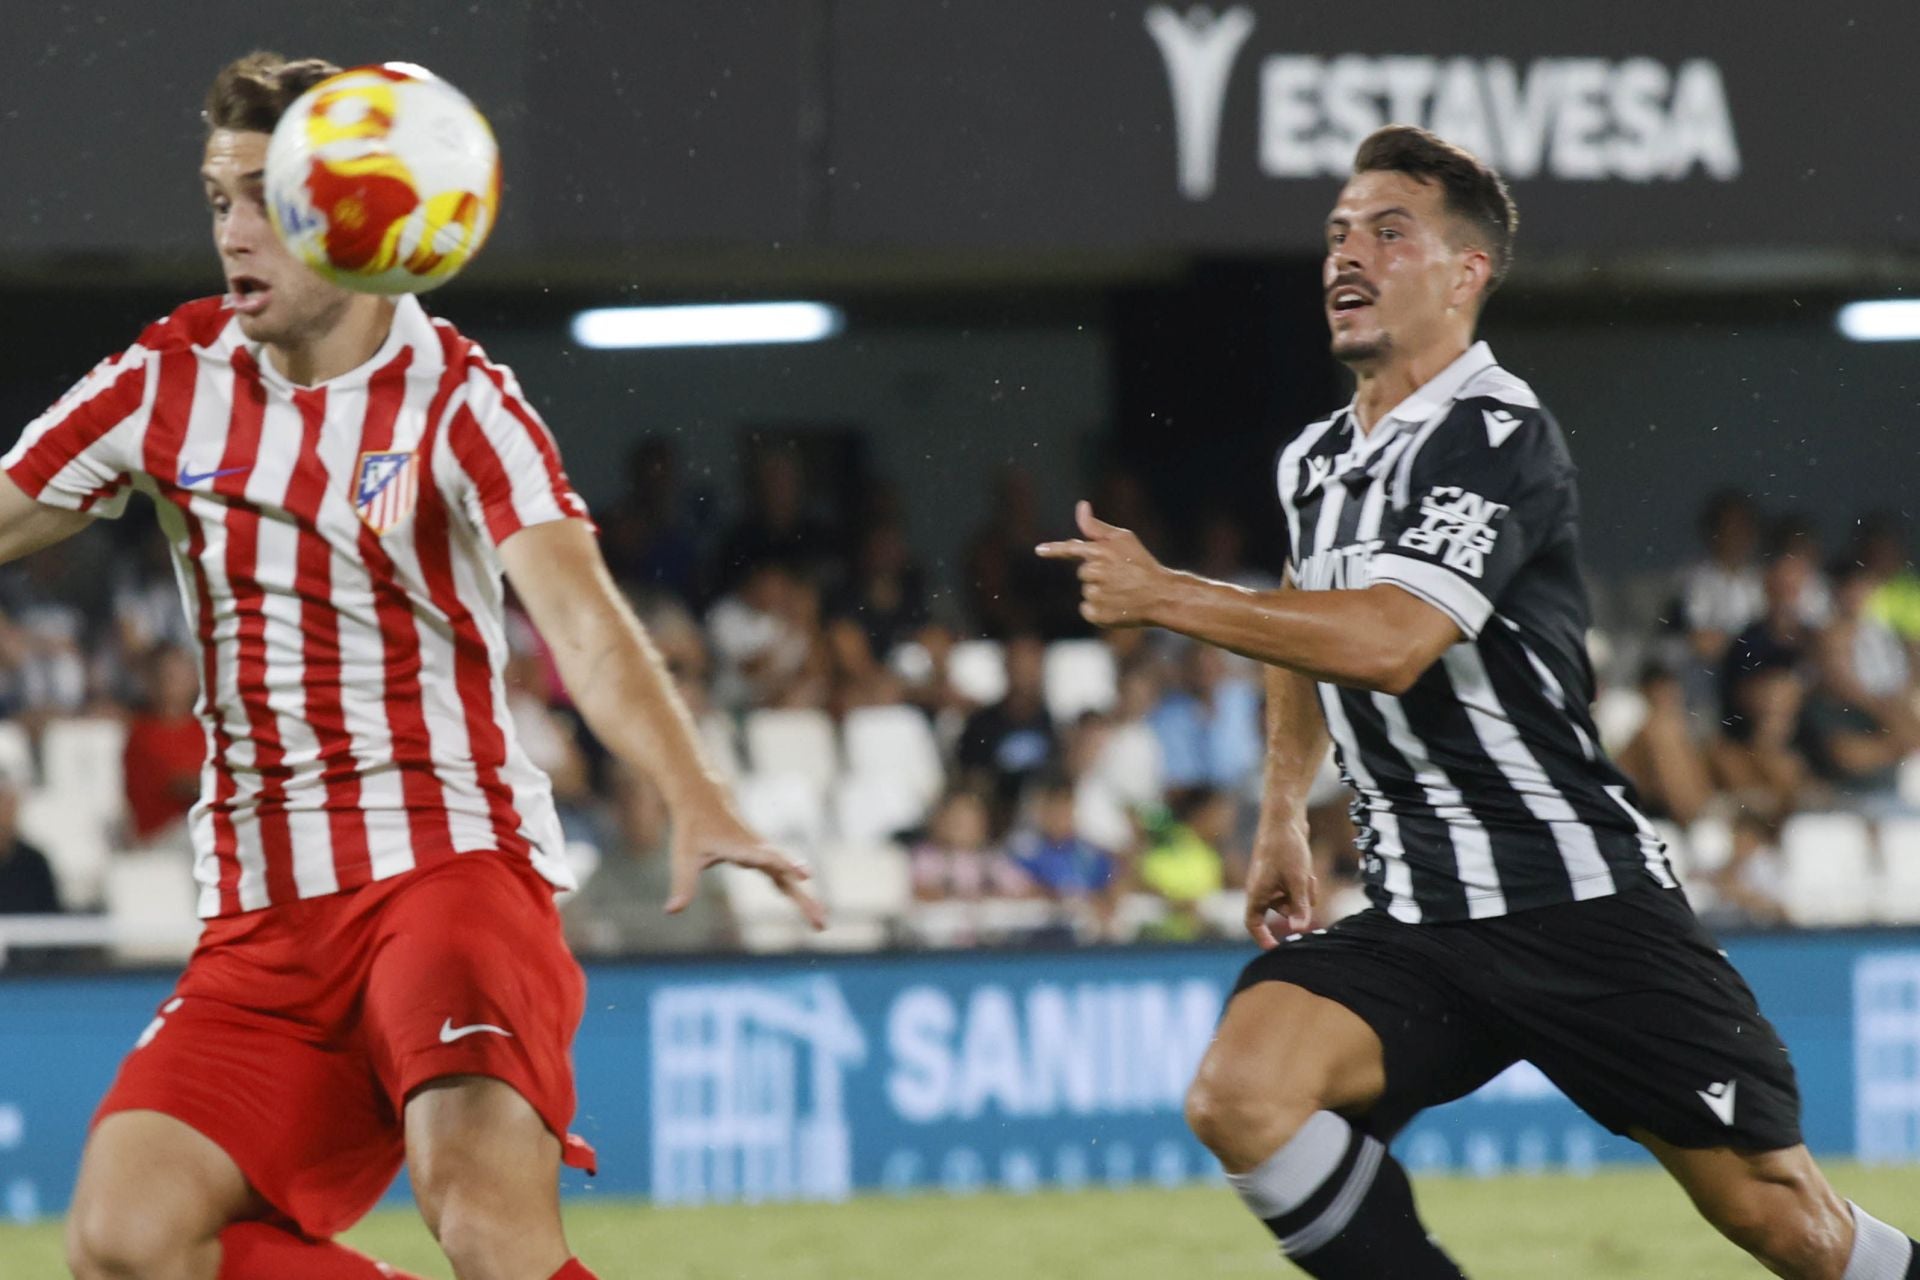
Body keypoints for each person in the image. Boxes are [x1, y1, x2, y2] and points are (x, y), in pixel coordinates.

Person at [1039, 124, 1916, 1278]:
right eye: (1337, 233)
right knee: (1243, 1090)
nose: (1347, 254)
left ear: (1467, 273)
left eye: (1388, 232)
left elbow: (1393, 640)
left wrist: (1166, 594)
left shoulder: (1499, 435)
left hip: (1576, 904)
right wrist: (1280, 813)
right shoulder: (1314, 460)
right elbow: (1304, 621)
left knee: (1784, 1220)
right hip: (1422, 913)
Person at [9, 52, 822, 1280]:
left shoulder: (462, 402)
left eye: (265, 200)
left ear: (356, 216)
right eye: (218, 199)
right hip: (263, 921)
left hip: (447, 870)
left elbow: (584, 622)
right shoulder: (166, 381)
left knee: (486, 1225)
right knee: (125, 1242)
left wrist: (694, 789)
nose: (232, 233)